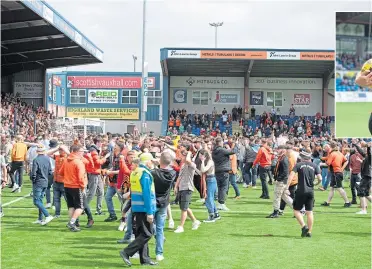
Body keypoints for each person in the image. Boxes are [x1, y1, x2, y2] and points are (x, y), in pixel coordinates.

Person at [120, 153, 158, 266]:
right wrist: (150, 212)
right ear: (147, 161)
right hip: (144, 207)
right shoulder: (145, 174)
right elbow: (146, 193)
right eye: (151, 161)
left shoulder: (135, 173)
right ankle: (127, 252)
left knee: (141, 233)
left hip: (136, 206)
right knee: (147, 234)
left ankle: (145, 259)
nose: (152, 163)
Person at [289, 149, 322, 237]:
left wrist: (286, 187)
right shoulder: (315, 165)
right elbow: (320, 178)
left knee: (296, 210)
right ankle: (309, 232)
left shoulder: (298, 165)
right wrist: (316, 183)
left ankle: (304, 227)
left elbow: (291, 176)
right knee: (309, 212)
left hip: (300, 191)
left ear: (302, 158)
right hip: (310, 191)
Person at [151, 152, 176, 262]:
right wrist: (159, 164)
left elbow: (157, 172)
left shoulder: (153, 172)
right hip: (164, 203)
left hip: (153, 202)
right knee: (160, 229)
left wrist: (156, 165)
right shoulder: (173, 173)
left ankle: (157, 239)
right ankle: (159, 253)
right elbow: (166, 169)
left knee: (150, 226)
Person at [59, 144, 87, 232]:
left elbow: (60, 172)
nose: (83, 153)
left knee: (71, 206)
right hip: (76, 186)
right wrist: (83, 187)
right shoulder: (78, 162)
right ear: (77, 152)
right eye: (82, 152)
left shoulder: (66, 160)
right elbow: (81, 176)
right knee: (80, 207)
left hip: (67, 186)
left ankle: (71, 223)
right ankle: (72, 222)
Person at [173, 150, 201, 233]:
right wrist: (176, 186)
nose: (181, 158)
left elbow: (188, 160)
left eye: (183, 156)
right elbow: (179, 177)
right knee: (184, 207)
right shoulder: (183, 165)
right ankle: (195, 221)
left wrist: (189, 153)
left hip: (188, 188)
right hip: (182, 187)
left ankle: (181, 226)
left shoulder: (192, 164)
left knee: (184, 209)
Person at [321, 142, 351, 207]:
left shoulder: (332, 154)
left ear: (330, 147)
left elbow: (327, 164)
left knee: (339, 188)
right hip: (336, 172)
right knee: (332, 188)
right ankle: (327, 202)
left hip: (336, 173)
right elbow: (346, 161)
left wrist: (319, 164)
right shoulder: (339, 153)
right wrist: (342, 168)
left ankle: (347, 202)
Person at [266, 145, 293, 218]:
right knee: (285, 197)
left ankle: (275, 212)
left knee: (277, 196)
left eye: (279, 149)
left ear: (283, 150)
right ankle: (298, 209)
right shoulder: (282, 158)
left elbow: (285, 172)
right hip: (282, 180)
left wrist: (277, 179)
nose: (277, 151)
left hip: (281, 181)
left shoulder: (284, 159)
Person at [30, 147, 54, 225]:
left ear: (37, 152)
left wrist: (33, 180)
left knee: (36, 201)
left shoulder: (36, 160)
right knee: (40, 200)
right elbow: (50, 171)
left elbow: (34, 173)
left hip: (38, 182)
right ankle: (40, 218)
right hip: (45, 181)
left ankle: (47, 215)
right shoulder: (47, 159)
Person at [212, 137, 235, 211]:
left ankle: (219, 203)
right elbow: (233, 151)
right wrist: (230, 147)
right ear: (220, 142)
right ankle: (222, 203)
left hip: (217, 170)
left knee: (220, 187)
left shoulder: (214, 150)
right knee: (224, 187)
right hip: (224, 170)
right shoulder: (221, 150)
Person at [199, 149, 221, 222]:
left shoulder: (210, 162)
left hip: (211, 180)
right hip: (209, 180)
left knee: (208, 198)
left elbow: (203, 170)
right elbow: (201, 172)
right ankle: (216, 214)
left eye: (200, 155)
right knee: (209, 198)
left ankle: (212, 215)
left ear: (204, 156)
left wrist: (202, 162)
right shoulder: (208, 161)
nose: (199, 157)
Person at [353, 142, 371, 214]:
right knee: (366, 194)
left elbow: (369, 153)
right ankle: (364, 210)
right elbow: (361, 151)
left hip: (367, 176)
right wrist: (356, 145)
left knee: (361, 192)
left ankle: (364, 210)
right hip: (367, 176)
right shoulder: (367, 156)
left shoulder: (370, 156)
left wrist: (369, 147)